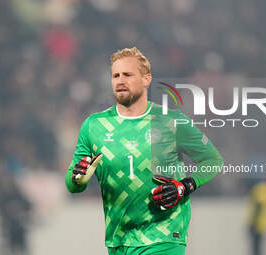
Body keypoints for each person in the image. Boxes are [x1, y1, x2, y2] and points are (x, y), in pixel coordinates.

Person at [65, 47, 224, 255]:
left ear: (146, 79)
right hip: (119, 240)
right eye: (115, 75)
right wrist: (79, 179)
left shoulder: (171, 121)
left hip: (164, 235)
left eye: (128, 74)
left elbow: (213, 161)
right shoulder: (94, 126)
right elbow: (72, 183)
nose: (120, 80)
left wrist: (184, 187)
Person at [247, 181, 266, 255]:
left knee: (256, 249)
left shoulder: (260, 189)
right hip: (263, 225)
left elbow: (259, 205)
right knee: (258, 248)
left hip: (257, 225)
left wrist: (253, 222)